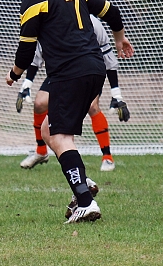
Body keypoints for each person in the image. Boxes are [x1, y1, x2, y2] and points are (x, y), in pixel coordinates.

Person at [6, 0, 133, 224]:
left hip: (69, 72)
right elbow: (112, 12)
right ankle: (82, 182)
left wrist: (15, 75)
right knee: (48, 128)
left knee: (61, 137)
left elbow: (26, 51)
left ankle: (85, 202)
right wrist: (120, 39)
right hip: (95, 68)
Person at [17, 15, 130, 172]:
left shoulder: (91, 22)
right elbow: (37, 55)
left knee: (92, 106)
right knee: (39, 103)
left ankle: (107, 157)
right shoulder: (49, 20)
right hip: (60, 72)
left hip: (86, 69)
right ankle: (41, 151)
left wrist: (116, 93)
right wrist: (26, 84)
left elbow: (107, 55)